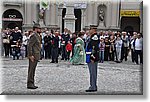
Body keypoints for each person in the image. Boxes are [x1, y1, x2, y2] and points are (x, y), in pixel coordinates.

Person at [27, 23, 41, 89]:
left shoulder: (37, 35)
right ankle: (30, 83)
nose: (40, 30)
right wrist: (30, 55)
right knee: (31, 70)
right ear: (35, 29)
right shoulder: (34, 36)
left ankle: (32, 82)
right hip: (33, 55)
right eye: (39, 28)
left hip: (36, 55)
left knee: (33, 70)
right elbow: (29, 46)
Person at [86, 25, 99, 92]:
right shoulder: (92, 37)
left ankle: (93, 86)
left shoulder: (95, 37)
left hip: (92, 57)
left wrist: (93, 58)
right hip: (89, 56)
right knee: (92, 72)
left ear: (93, 30)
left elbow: (94, 48)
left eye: (90, 29)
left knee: (93, 72)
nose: (89, 31)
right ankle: (93, 85)